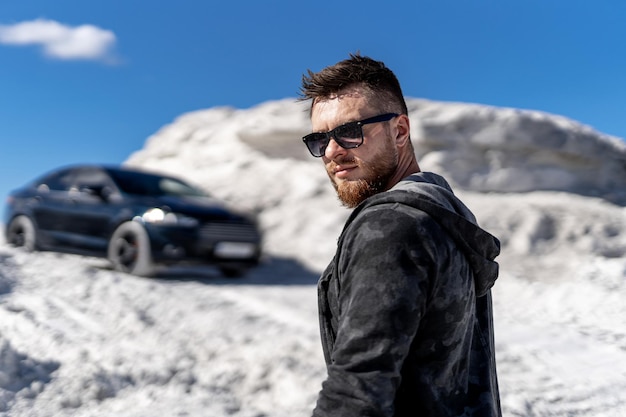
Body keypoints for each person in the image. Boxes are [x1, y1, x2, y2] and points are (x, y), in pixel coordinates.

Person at [299, 53, 502, 417]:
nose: (332, 152)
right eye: (320, 139)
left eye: (349, 131)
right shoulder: (440, 214)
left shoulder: (391, 225)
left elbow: (358, 390)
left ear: (400, 131)